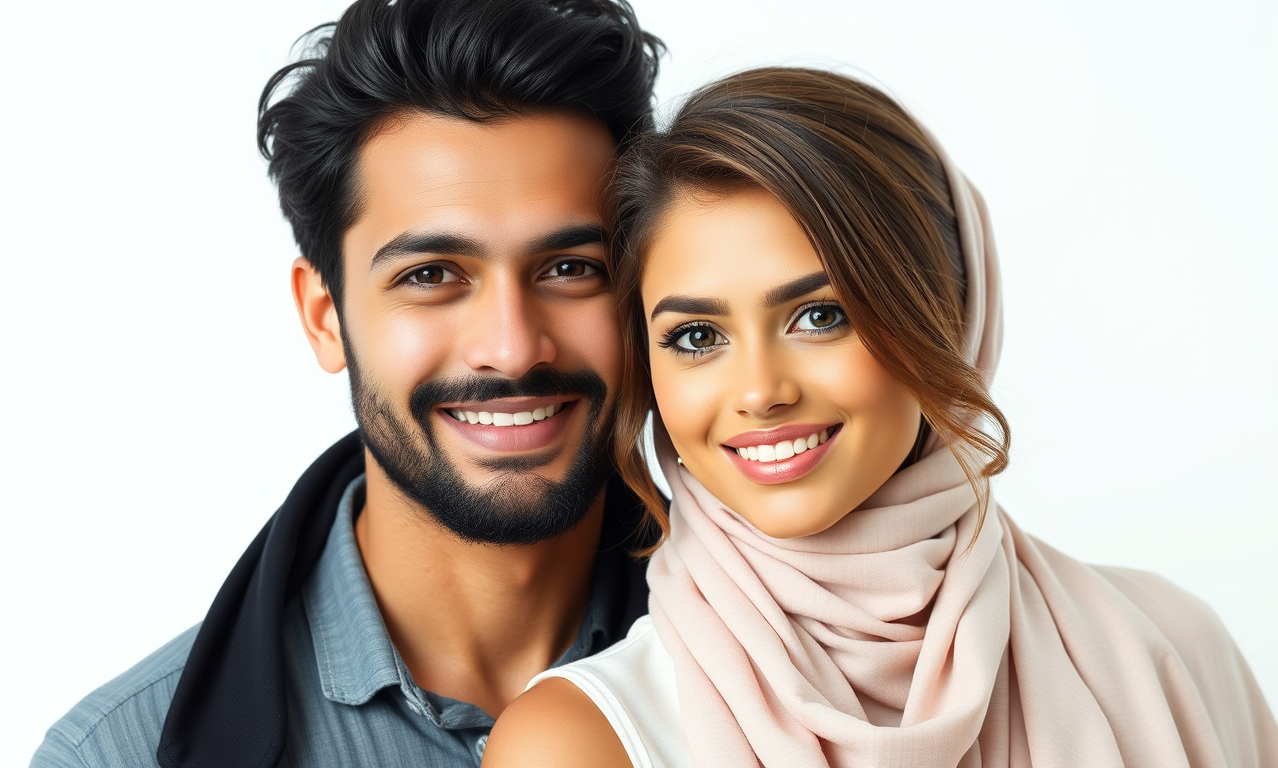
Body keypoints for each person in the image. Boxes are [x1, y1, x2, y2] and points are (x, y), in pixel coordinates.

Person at [482, 68, 1278, 768]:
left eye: (821, 316)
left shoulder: (1168, 645)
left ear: (951, 314)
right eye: (697, 336)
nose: (760, 391)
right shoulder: (579, 743)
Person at [29, 1, 666, 767]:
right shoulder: (114, 756)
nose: (512, 347)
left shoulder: (812, 666)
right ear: (325, 316)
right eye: (432, 275)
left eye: (571, 269)